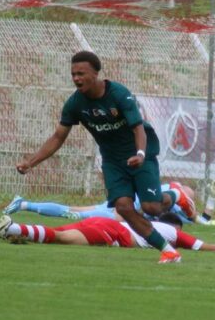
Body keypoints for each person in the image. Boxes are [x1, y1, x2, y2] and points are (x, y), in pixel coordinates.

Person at [15, 51, 195, 262]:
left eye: (81, 73)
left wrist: (140, 154)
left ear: (96, 73)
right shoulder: (74, 104)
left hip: (140, 154)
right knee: (123, 207)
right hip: (112, 161)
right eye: (73, 74)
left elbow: (138, 128)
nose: (76, 78)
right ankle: (168, 251)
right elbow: (58, 137)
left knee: (151, 207)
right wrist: (31, 162)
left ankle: (177, 195)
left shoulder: (119, 94)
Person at [0, 212, 215, 261]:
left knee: (55, 234)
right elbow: (199, 245)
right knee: (60, 239)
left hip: (103, 222)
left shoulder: (149, 222)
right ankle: (10, 227)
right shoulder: (172, 232)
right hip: (112, 232)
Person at [2, 180, 215, 226]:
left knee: (75, 211)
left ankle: (23, 204)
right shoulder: (175, 196)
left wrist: (213, 196)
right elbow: (201, 220)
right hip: (121, 211)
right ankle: (24, 205)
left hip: (120, 204)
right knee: (75, 214)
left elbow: (202, 220)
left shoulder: (175, 203)